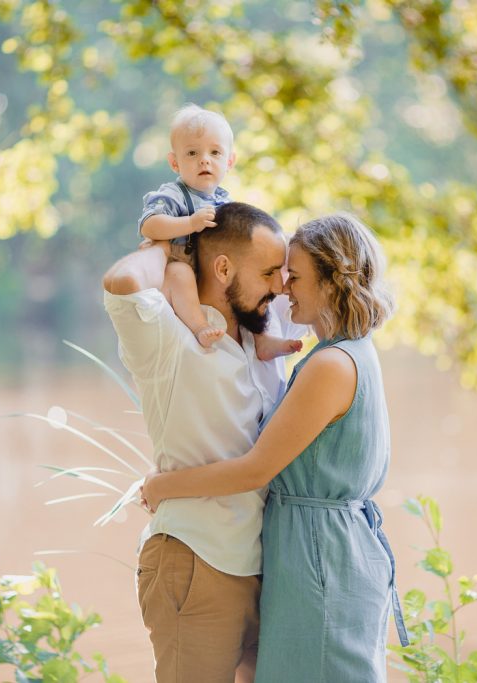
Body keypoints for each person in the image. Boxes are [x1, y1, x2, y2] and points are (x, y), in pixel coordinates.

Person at [142, 213, 409, 683]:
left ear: (330, 281)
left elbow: (255, 469)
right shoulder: (350, 350)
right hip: (322, 550)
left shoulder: (331, 364)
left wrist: (163, 485)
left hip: (320, 560)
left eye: (296, 276)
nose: (285, 288)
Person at [103, 202, 306, 683]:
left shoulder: (265, 333)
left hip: (266, 570)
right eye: (270, 272)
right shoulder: (170, 339)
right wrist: (172, 244)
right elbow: (121, 282)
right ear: (221, 268)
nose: (280, 286)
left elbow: (334, 292)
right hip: (197, 562)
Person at [139, 104, 300, 360]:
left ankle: (262, 339)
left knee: (251, 283)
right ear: (174, 162)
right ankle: (199, 326)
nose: (204, 159)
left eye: (215, 152)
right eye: (192, 153)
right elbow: (150, 224)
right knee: (179, 274)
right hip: (182, 262)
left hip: (215, 270)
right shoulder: (172, 195)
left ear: (230, 161)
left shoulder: (225, 200)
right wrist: (189, 223)